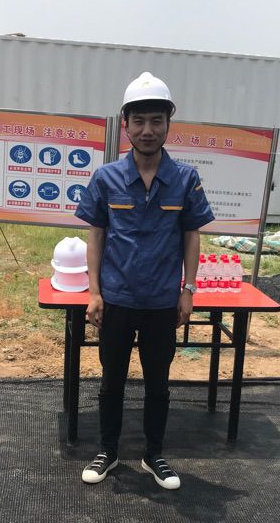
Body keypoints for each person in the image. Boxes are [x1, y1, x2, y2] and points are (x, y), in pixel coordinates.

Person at [75, 71, 215, 490]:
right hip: (117, 299)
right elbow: (96, 236)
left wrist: (188, 290)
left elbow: (191, 235)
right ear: (126, 125)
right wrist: (94, 292)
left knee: (158, 383)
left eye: (156, 121)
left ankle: (154, 455)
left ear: (169, 124)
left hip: (161, 302)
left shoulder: (186, 179)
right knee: (111, 382)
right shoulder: (106, 178)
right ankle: (108, 451)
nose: (147, 130)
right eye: (139, 121)